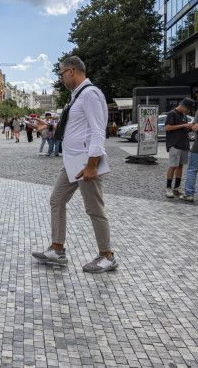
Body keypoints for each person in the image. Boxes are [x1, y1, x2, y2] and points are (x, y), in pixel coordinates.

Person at [31, 56, 117, 273]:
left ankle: (107, 256)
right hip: (72, 161)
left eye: (60, 74)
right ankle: (57, 249)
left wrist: (92, 164)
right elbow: (74, 128)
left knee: (94, 209)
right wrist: (49, 127)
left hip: (85, 161)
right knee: (57, 200)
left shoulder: (90, 94)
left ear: (71, 71)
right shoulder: (76, 97)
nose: (60, 79)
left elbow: (98, 131)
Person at [164, 98, 194, 198]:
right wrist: (183, 125)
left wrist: (187, 127)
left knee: (180, 166)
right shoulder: (172, 114)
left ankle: (177, 187)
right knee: (173, 165)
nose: (188, 111)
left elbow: (182, 128)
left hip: (184, 144)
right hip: (174, 143)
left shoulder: (184, 115)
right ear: (183, 106)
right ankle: (168, 187)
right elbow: (167, 128)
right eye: (188, 109)